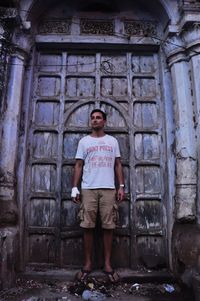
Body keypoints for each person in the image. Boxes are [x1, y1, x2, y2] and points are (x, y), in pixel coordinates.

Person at [71, 108, 125, 283]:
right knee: (87, 226)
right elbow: (78, 165)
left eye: (98, 118)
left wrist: (121, 186)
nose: (95, 120)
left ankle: (107, 264)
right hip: (88, 189)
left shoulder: (112, 141)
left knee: (109, 227)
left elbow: (117, 164)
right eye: (92, 118)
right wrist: (75, 188)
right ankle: (88, 264)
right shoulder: (84, 142)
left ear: (104, 121)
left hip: (109, 188)